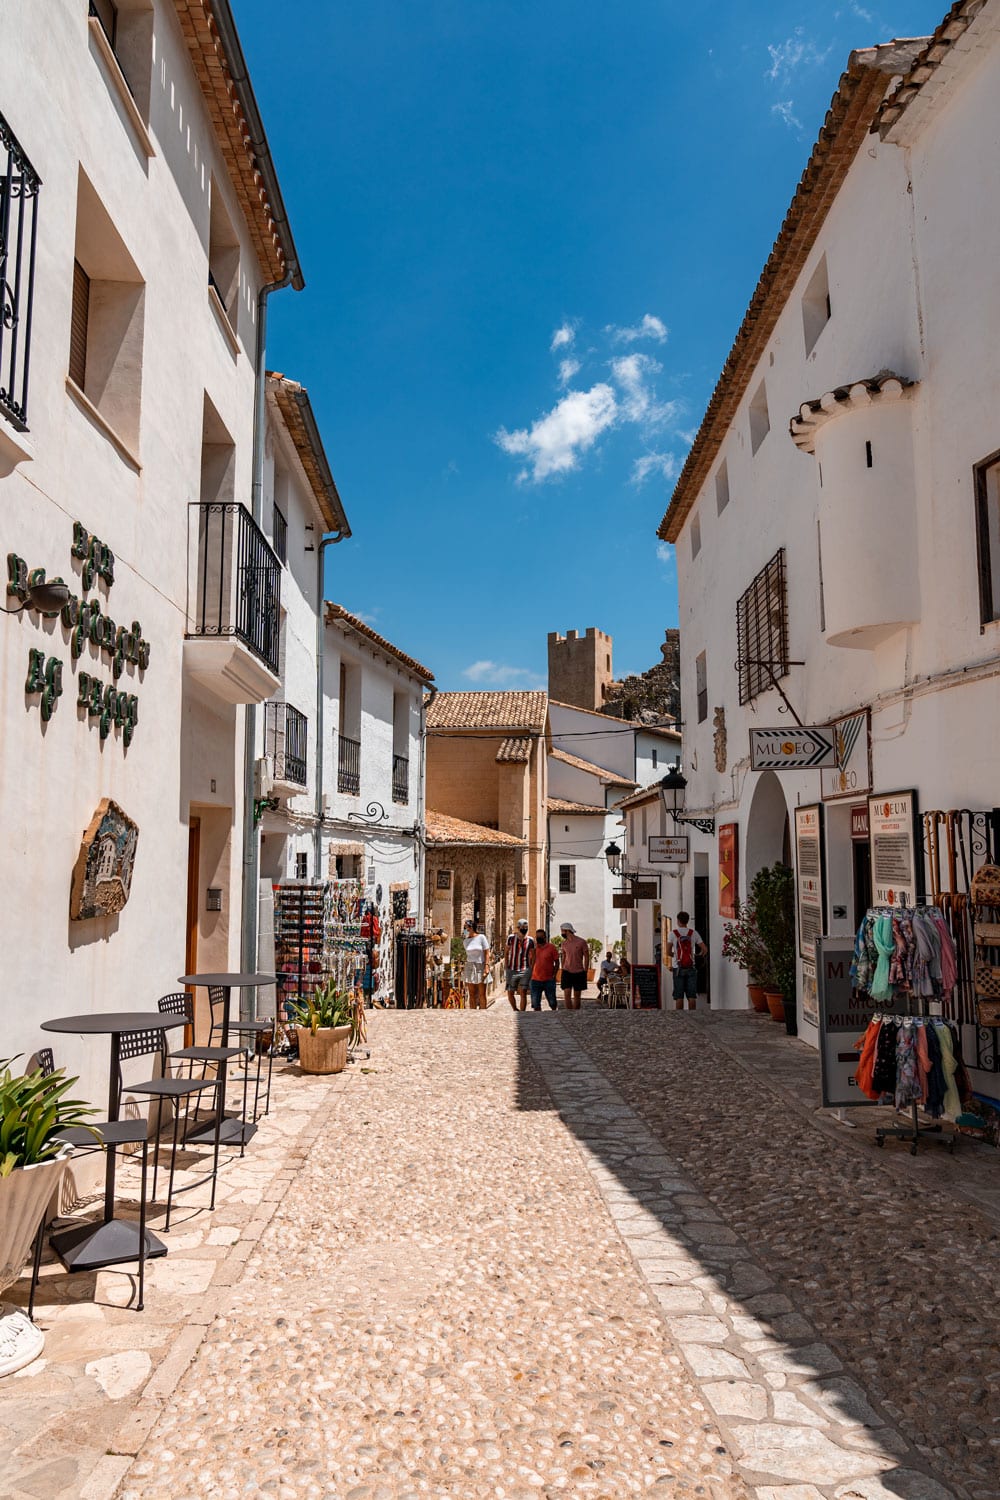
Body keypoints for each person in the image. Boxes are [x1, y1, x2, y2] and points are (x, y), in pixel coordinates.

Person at [669, 911, 707, 1010]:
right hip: (691, 967)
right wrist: (696, 956)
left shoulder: (673, 934)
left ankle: (680, 1018)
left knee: (679, 996)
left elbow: (668, 952)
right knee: (691, 996)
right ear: (687, 921)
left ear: (678, 921)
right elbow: (704, 949)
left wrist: (676, 956)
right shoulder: (693, 933)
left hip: (678, 968)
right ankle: (692, 1016)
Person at [558, 922, 591, 1011]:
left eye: (562, 931)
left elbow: (587, 956)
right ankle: (569, 1013)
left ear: (567, 931)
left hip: (579, 971)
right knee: (567, 994)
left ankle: (576, 1013)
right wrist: (562, 967)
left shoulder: (581, 942)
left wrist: (586, 970)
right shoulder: (564, 944)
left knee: (577, 995)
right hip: (566, 971)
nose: (561, 933)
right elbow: (564, 956)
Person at [504, 919, 535, 1011]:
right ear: (518, 928)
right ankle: (515, 1009)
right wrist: (506, 966)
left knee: (523, 992)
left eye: (526, 928)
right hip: (512, 968)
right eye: (522, 928)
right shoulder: (511, 938)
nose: (524, 929)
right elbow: (506, 952)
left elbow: (533, 955)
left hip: (525, 969)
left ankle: (522, 1012)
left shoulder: (531, 940)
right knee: (510, 992)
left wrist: (531, 967)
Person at [462, 918, 491, 1009]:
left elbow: (487, 952)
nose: (465, 930)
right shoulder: (465, 941)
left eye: (466, 927)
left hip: (480, 965)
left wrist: (486, 966)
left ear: (471, 927)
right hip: (470, 966)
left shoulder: (481, 937)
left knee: (482, 993)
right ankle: (472, 1012)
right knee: (471, 993)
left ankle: (483, 1012)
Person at [529, 928, 560, 1011]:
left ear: (545, 937)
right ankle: (539, 1020)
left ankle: (554, 1016)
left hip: (549, 979)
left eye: (540, 937)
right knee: (535, 1004)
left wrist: (554, 975)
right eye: (537, 937)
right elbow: (530, 963)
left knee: (552, 1002)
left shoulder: (551, 948)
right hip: (535, 980)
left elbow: (557, 962)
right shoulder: (533, 949)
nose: (538, 938)